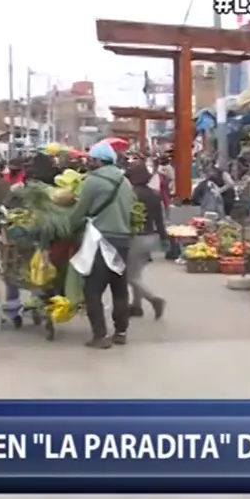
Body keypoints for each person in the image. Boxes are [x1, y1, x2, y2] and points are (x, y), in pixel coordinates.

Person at [68, 142, 134, 349]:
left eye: (91, 160)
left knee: (93, 290)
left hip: (101, 240)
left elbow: (80, 211)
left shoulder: (93, 182)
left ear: (97, 161)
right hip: (123, 240)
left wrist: (70, 225)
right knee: (119, 288)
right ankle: (121, 332)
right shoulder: (125, 182)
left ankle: (100, 335)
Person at [125, 162, 168, 320]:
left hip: (137, 237)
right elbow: (160, 220)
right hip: (152, 237)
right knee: (137, 273)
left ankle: (154, 299)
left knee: (130, 276)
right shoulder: (155, 195)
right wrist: (164, 239)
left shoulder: (131, 195)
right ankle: (136, 306)